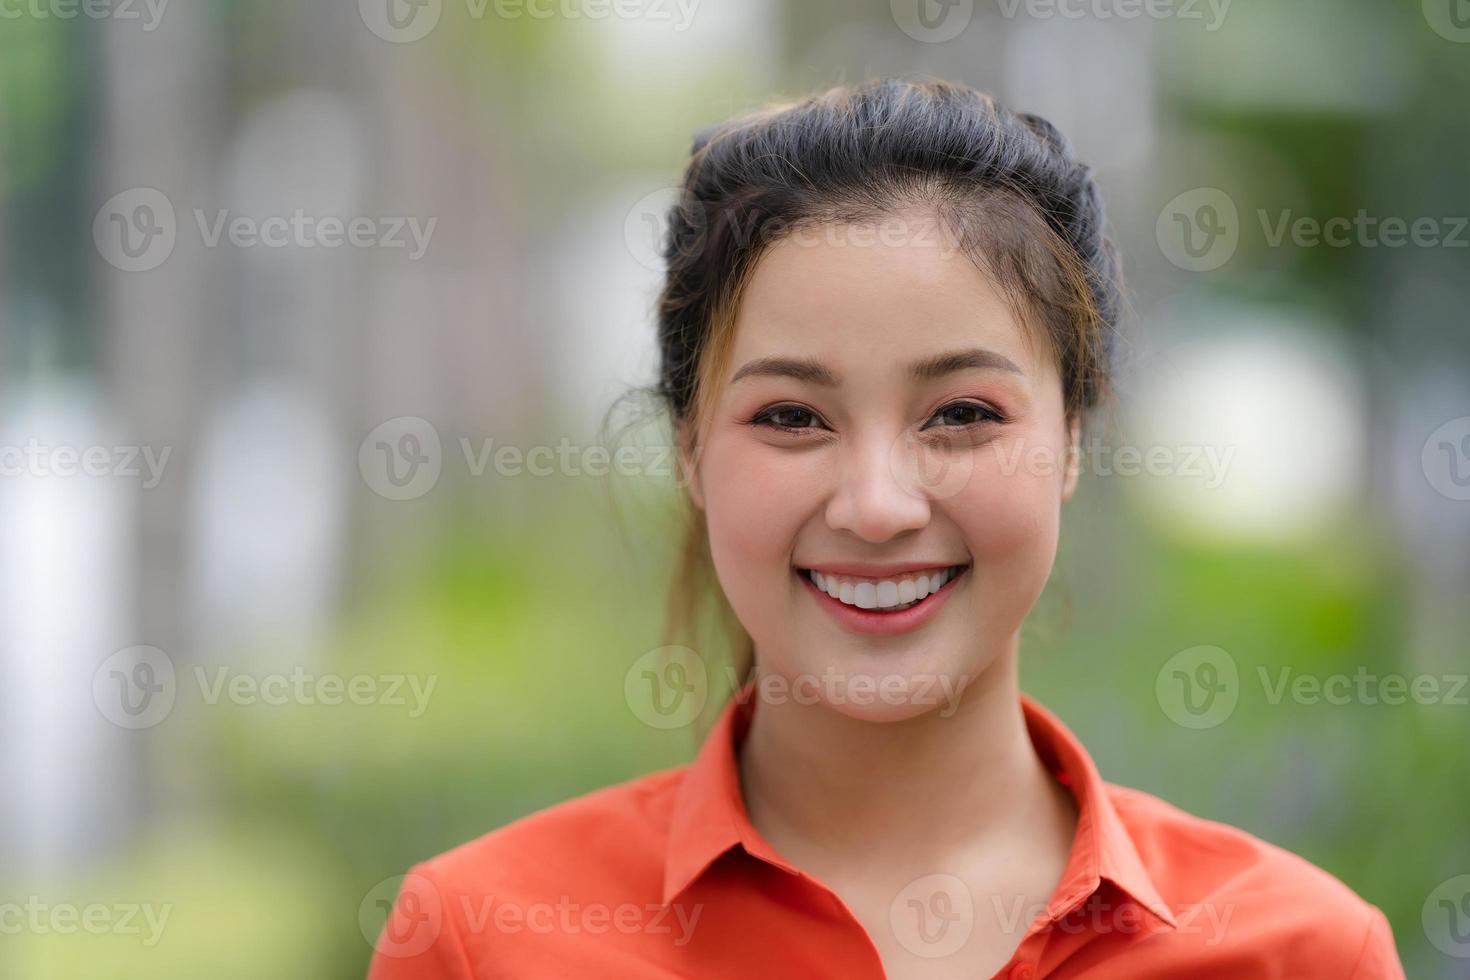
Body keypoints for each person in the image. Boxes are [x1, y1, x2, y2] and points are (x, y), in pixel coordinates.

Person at [366, 76, 1406, 979]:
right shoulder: (478, 939)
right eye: (791, 416)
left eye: (961, 414)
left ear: (1075, 440)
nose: (875, 504)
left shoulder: (1301, 951)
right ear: (688, 449)